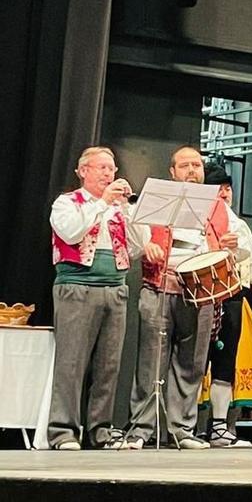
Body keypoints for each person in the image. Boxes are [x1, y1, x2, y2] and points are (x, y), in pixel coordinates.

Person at [124, 145, 249, 450]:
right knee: (151, 360)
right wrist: (147, 247)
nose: (193, 170)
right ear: (172, 171)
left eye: (197, 165)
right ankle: (141, 428)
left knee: (191, 363)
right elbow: (132, 237)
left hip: (200, 292)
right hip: (160, 285)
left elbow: (237, 247)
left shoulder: (218, 205)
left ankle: (182, 429)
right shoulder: (156, 200)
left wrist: (230, 245)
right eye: (185, 165)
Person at [47, 146, 133, 450]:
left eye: (112, 169)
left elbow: (137, 247)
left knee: (108, 366)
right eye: (102, 168)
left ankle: (100, 430)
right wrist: (101, 203)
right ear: (83, 171)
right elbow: (71, 233)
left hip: (115, 288)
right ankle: (62, 431)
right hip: (77, 287)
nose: (109, 174)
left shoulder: (116, 209)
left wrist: (131, 212)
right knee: (71, 363)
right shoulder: (67, 203)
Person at [202, 165, 252, 448]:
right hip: (204, 294)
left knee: (225, 362)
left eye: (227, 188)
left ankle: (220, 425)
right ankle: (186, 426)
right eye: (218, 188)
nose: (224, 193)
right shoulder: (200, 219)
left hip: (233, 296)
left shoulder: (238, 224)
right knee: (195, 363)